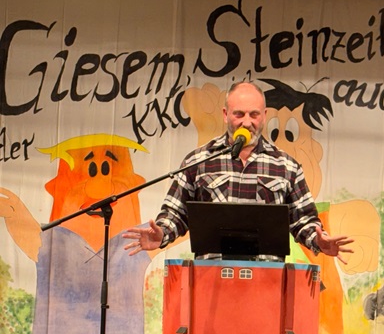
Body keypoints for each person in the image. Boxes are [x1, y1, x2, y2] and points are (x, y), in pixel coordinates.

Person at [123, 81, 353, 262]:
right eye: (239, 114)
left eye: (254, 114)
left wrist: (319, 241)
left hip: (267, 282)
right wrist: (162, 234)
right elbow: (176, 214)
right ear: (225, 114)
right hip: (210, 279)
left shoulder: (286, 166)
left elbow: (303, 220)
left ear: (264, 115)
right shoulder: (199, 161)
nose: (247, 122)